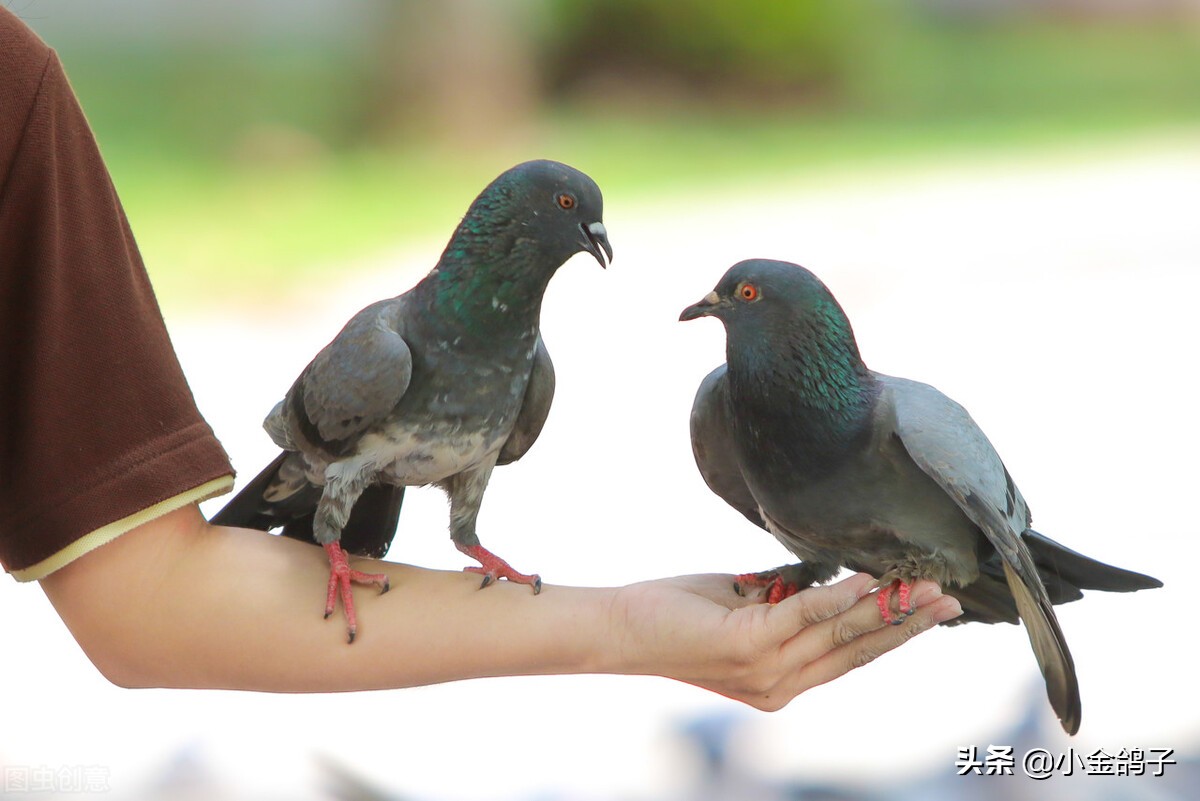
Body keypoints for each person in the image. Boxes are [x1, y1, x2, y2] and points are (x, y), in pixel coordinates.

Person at [0, 7, 961, 710]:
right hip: (332, 450)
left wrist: (626, 628)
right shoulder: (390, 343)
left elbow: (150, 598)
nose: (589, 237)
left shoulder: (15, 91)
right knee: (344, 473)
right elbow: (170, 585)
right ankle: (332, 542)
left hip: (379, 489)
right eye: (573, 220)